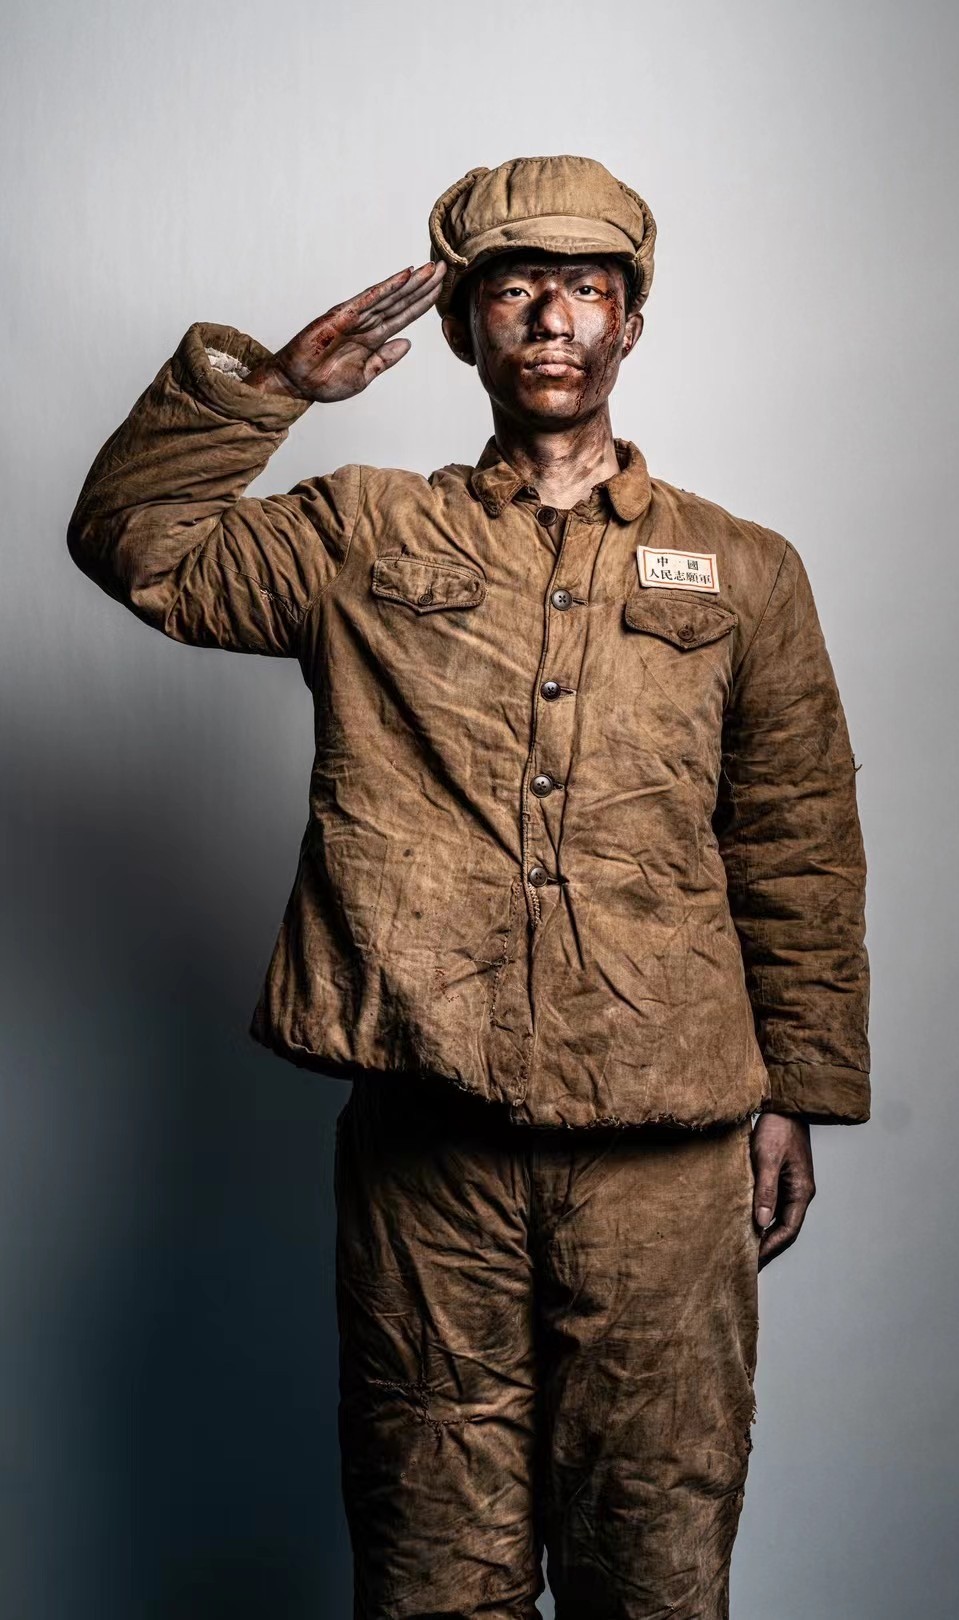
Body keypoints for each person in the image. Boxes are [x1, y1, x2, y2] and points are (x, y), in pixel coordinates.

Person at [68, 154, 870, 1618]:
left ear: (630, 324)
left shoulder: (744, 570)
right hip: (428, 1134)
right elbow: (139, 546)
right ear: (459, 329)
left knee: (654, 1553)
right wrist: (275, 391)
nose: (553, 318)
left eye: (588, 289)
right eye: (515, 291)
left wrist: (798, 1091)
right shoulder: (362, 534)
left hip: (669, 1146)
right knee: (434, 1559)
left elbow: (796, 835)